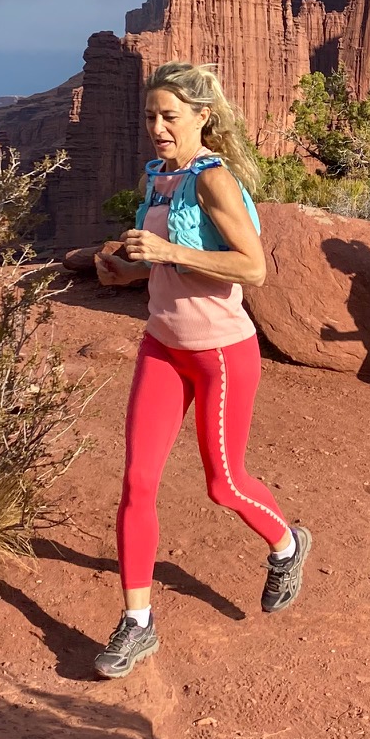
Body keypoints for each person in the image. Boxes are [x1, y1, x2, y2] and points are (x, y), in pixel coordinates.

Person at [90, 61, 311, 679]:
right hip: (162, 345)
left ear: (202, 117)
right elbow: (161, 265)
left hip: (220, 354)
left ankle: (287, 544)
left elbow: (253, 268)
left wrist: (165, 251)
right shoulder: (157, 177)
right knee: (137, 483)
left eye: (170, 116)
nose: (158, 127)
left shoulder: (214, 180)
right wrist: (126, 266)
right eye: (151, 116)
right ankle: (138, 624)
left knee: (224, 483)